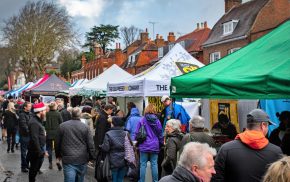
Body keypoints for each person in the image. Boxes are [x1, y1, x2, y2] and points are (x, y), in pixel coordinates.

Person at [212, 109, 283, 182]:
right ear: (263, 125)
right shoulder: (276, 152)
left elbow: (216, 179)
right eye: (268, 125)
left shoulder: (226, 149)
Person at [55, 107, 95, 182]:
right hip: (82, 158)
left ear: (71, 114)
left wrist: (58, 155)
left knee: (69, 179)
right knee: (80, 179)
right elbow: (90, 143)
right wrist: (92, 157)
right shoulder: (85, 127)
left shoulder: (62, 126)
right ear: (80, 115)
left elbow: (57, 142)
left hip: (68, 158)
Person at [134, 103, 163, 182]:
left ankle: (142, 180)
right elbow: (160, 133)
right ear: (154, 110)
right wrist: (161, 143)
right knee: (154, 164)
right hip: (154, 145)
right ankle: (155, 181)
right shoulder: (157, 121)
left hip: (144, 145)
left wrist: (136, 142)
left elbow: (136, 132)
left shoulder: (142, 120)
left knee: (143, 165)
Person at [100, 116, 127, 182]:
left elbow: (106, 148)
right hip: (124, 158)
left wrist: (101, 146)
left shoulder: (108, 134)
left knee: (113, 178)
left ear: (114, 124)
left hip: (113, 159)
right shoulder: (126, 133)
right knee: (121, 179)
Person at [27, 102, 47, 182]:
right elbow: (34, 138)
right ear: (40, 111)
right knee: (33, 170)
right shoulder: (34, 122)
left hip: (37, 149)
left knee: (34, 169)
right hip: (35, 150)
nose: (45, 112)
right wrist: (40, 151)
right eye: (44, 110)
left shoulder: (37, 120)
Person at [45, 102, 63, 169]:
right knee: (57, 148)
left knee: (49, 148)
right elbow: (61, 123)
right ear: (55, 107)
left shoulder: (47, 114)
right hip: (57, 133)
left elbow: (44, 122)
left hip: (49, 133)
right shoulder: (58, 113)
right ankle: (58, 161)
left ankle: (50, 162)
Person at [19, 102, 33, 172]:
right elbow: (23, 125)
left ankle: (26, 164)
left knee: (30, 151)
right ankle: (23, 166)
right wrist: (30, 131)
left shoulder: (30, 114)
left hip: (30, 135)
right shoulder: (22, 115)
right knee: (24, 152)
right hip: (24, 136)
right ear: (25, 107)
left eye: (30, 106)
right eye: (29, 106)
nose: (30, 107)